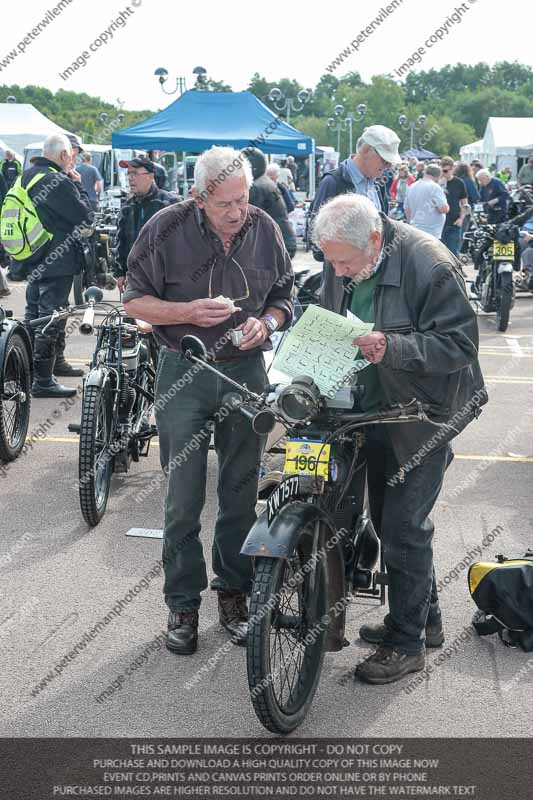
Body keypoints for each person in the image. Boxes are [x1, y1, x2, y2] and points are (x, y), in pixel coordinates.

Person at [122, 146, 294, 655]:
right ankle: (182, 604)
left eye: (243, 199)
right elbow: (133, 301)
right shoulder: (164, 227)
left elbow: (285, 296)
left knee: (241, 495)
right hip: (185, 370)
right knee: (184, 499)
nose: (238, 212)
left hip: (245, 371)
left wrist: (268, 322)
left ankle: (234, 593)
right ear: (199, 197)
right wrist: (184, 312)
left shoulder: (264, 227)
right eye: (226, 203)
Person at [314, 193, 487, 684]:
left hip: (425, 411)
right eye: (332, 262)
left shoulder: (429, 262)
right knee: (390, 520)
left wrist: (392, 346)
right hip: (373, 406)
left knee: (405, 526)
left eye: (345, 262)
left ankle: (407, 644)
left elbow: (460, 344)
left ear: (374, 239)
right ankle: (422, 619)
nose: (339, 272)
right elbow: (333, 312)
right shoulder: (344, 257)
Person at [18, 134, 94, 397]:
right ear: (63, 155)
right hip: (56, 259)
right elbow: (85, 216)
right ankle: (42, 381)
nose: (73, 159)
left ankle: (27, 371)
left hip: (33, 255)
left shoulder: (27, 176)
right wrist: (80, 185)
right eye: (71, 155)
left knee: (34, 315)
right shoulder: (58, 181)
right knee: (51, 317)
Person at [114, 157, 178, 292]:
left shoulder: (170, 203)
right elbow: (122, 242)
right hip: (136, 277)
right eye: (128, 174)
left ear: (150, 177)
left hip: (167, 278)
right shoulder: (128, 206)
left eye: (135, 173)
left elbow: (183, 241)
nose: (130, 178)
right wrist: (120, 272)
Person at [245, 149, 296, 258]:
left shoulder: (256, 188)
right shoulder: (266, 182)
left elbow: (247, 220)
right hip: (282, 242)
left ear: (252, 168)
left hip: (274, 245)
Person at [404, 163, 449, 239]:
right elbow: (444, 209)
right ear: (438, 176)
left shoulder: (412, 186)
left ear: (425, 173)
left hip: (415, 230)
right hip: (431, 232)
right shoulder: (435, 187)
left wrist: (412, 223)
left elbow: (407, 209)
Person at [439, 156, 467, 256]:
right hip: (439, 222)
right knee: (439, 253)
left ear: (452, 169)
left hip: (454, 222)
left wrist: (461, 219)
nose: (444, 173)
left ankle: (454, 271)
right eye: (442, 170)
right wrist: (440, 185)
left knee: (453, 252)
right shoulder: (436, 183)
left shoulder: (459, 183)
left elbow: (465, 204)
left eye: (446, 170)